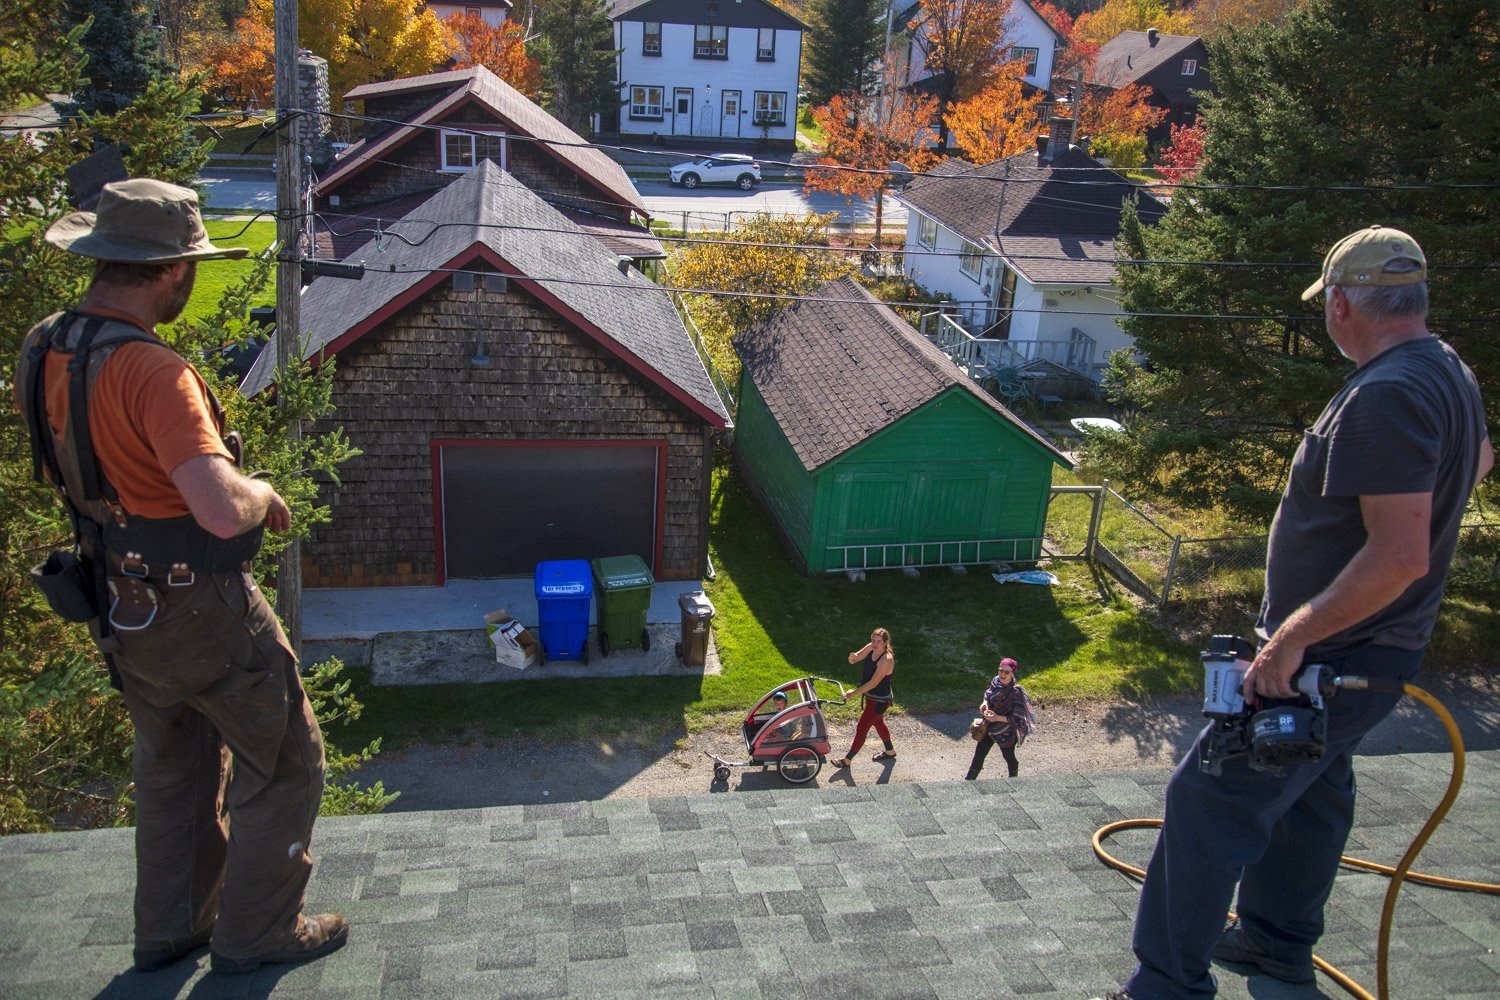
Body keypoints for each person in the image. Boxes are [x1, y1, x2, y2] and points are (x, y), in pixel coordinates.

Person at [1097, 226, 1492, 1000]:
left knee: (1207, 798)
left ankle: (1167, 985)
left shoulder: (1387, 393)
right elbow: (1473, 462)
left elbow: (1401, 555)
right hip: (1371, 655)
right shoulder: (1445, 371)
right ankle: (1276, 946)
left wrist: (1288, 642)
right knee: (1312, 791)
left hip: (1333, 658)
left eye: (1327, 303)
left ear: (1342, 303)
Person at [16, 179, 348, 976]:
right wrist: (260, 493)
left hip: (117, 602)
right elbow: (215, 508)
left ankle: (170, 927)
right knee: (286, 757)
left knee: (173, 765)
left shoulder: (46, 348)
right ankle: (259, 933)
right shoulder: (152, 372)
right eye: (191, 265)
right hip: (195, 602)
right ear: (169, 271)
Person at [831, 627, 896, 767]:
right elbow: (855, 659)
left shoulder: (886, 659)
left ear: (885, 642)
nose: (875, 643)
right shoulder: (870, 647)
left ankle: (847, 760)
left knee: (862, 728)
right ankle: (890, 751)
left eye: (879, 641)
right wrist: (852, 657)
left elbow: (873, 683)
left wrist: (852, 693)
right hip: (871, 697)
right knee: (878, 723)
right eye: (873, 639)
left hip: (879, 700)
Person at [966, 658, 1036, 779]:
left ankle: (1013, 778)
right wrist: (984, 704)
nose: (1002, 674)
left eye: (1006, 672)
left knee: (1009, 757)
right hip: (989, 727)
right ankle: (969, 781)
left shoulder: (1016, 693)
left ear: (1013, 673)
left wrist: (997, 718)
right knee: (979, 754)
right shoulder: (995, 681)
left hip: (1006, 732)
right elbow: (988, 694)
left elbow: (1017, 719)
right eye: (1000, 670)